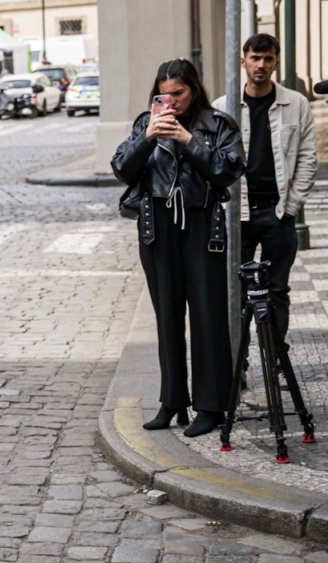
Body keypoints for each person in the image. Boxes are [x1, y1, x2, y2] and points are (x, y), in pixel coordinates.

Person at [112, 59, 246, 436]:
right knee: (167, 317)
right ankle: (172, 401)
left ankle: (211, 406)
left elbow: (229, 171)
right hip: (157, 226)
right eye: (164, 95)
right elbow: (122, 168)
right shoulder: (146, 123)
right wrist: (147, 137)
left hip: (201, 225)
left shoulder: (217, 124)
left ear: (194, 90)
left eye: (179, 94)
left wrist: (190, 141)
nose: (170, 102)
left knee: (208, 316)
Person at [212, 33, 318, 352]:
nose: (261, 64)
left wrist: (291, 207)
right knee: (235, 293)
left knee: (276, 291)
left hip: (277, 213)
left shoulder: (295, 103)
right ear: (243, 61)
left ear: (275, 62)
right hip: (237, 214)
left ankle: (274, 359)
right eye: (255, 58)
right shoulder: (223, 106)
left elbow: (307, 158)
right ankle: (237, 365)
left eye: (268, 58)